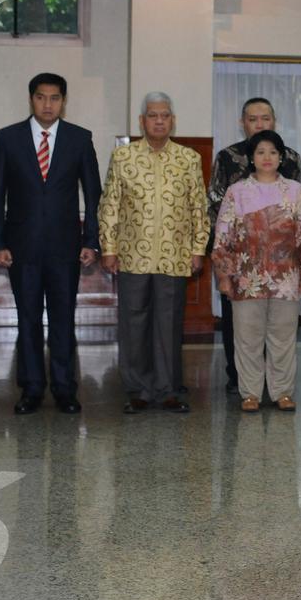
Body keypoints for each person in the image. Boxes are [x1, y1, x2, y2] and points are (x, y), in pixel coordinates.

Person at [0, 72, 101, 415]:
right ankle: (32, 388)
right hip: (21, 247)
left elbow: (94, 196)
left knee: (64, 319)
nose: (47, 104)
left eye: (54, 98)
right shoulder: (8, 138)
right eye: (40, 97)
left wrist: (91, 240)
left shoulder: (80, 139)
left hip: (66, 247)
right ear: (31, 99)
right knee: (28, 319)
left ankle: (65, 389)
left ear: (63, 101)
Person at [100, 92, 209, 414]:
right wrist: (109, 248)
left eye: (164, 115)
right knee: (133, 323)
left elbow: (198, 206)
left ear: (172, 120)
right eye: (152, 115)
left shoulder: (188, 158)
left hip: (175, 256)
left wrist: (198, 248)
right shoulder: (123, 157)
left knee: (169, 324)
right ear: (141, 121)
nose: (159, 120)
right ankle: (138, 390)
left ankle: (167, 389)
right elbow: (110, 205)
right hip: (132, 255)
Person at [212, 130, 301, 413]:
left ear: (281, 156)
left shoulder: (295, 191)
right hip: (246, 278)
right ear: (251, 158)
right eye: (260, 152)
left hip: (287, 279)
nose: (267, 157)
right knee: (247, 338)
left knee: (283, 338)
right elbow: (223, 235)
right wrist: (224, 276)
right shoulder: (237, 192)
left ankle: (282, 392)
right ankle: (249, 393)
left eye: (273, 152)